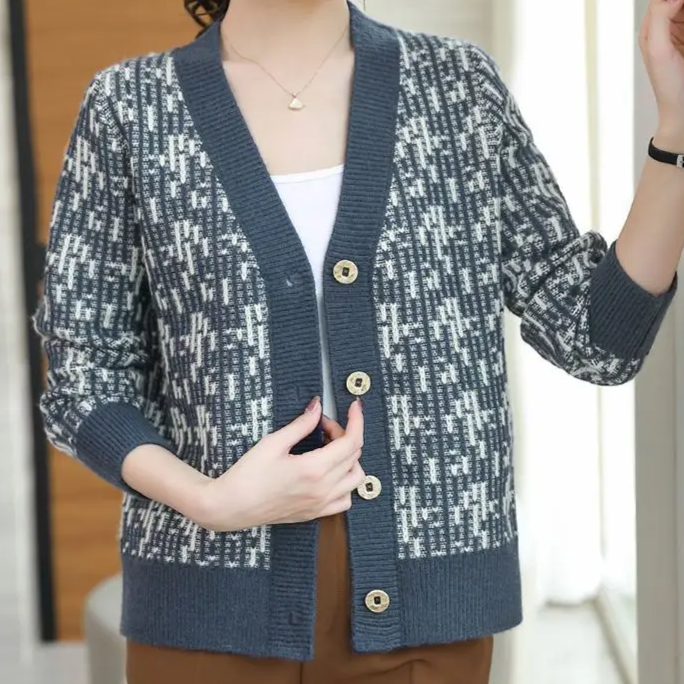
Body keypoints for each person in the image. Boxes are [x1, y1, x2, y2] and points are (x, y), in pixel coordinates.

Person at [34, 0, 684, 682]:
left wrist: (674, 129)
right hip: (206, 604)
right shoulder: (129, 108)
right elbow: (84, 377)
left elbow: (596, 338)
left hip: (427, 603)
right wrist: (210, 500)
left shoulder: (458, 89)